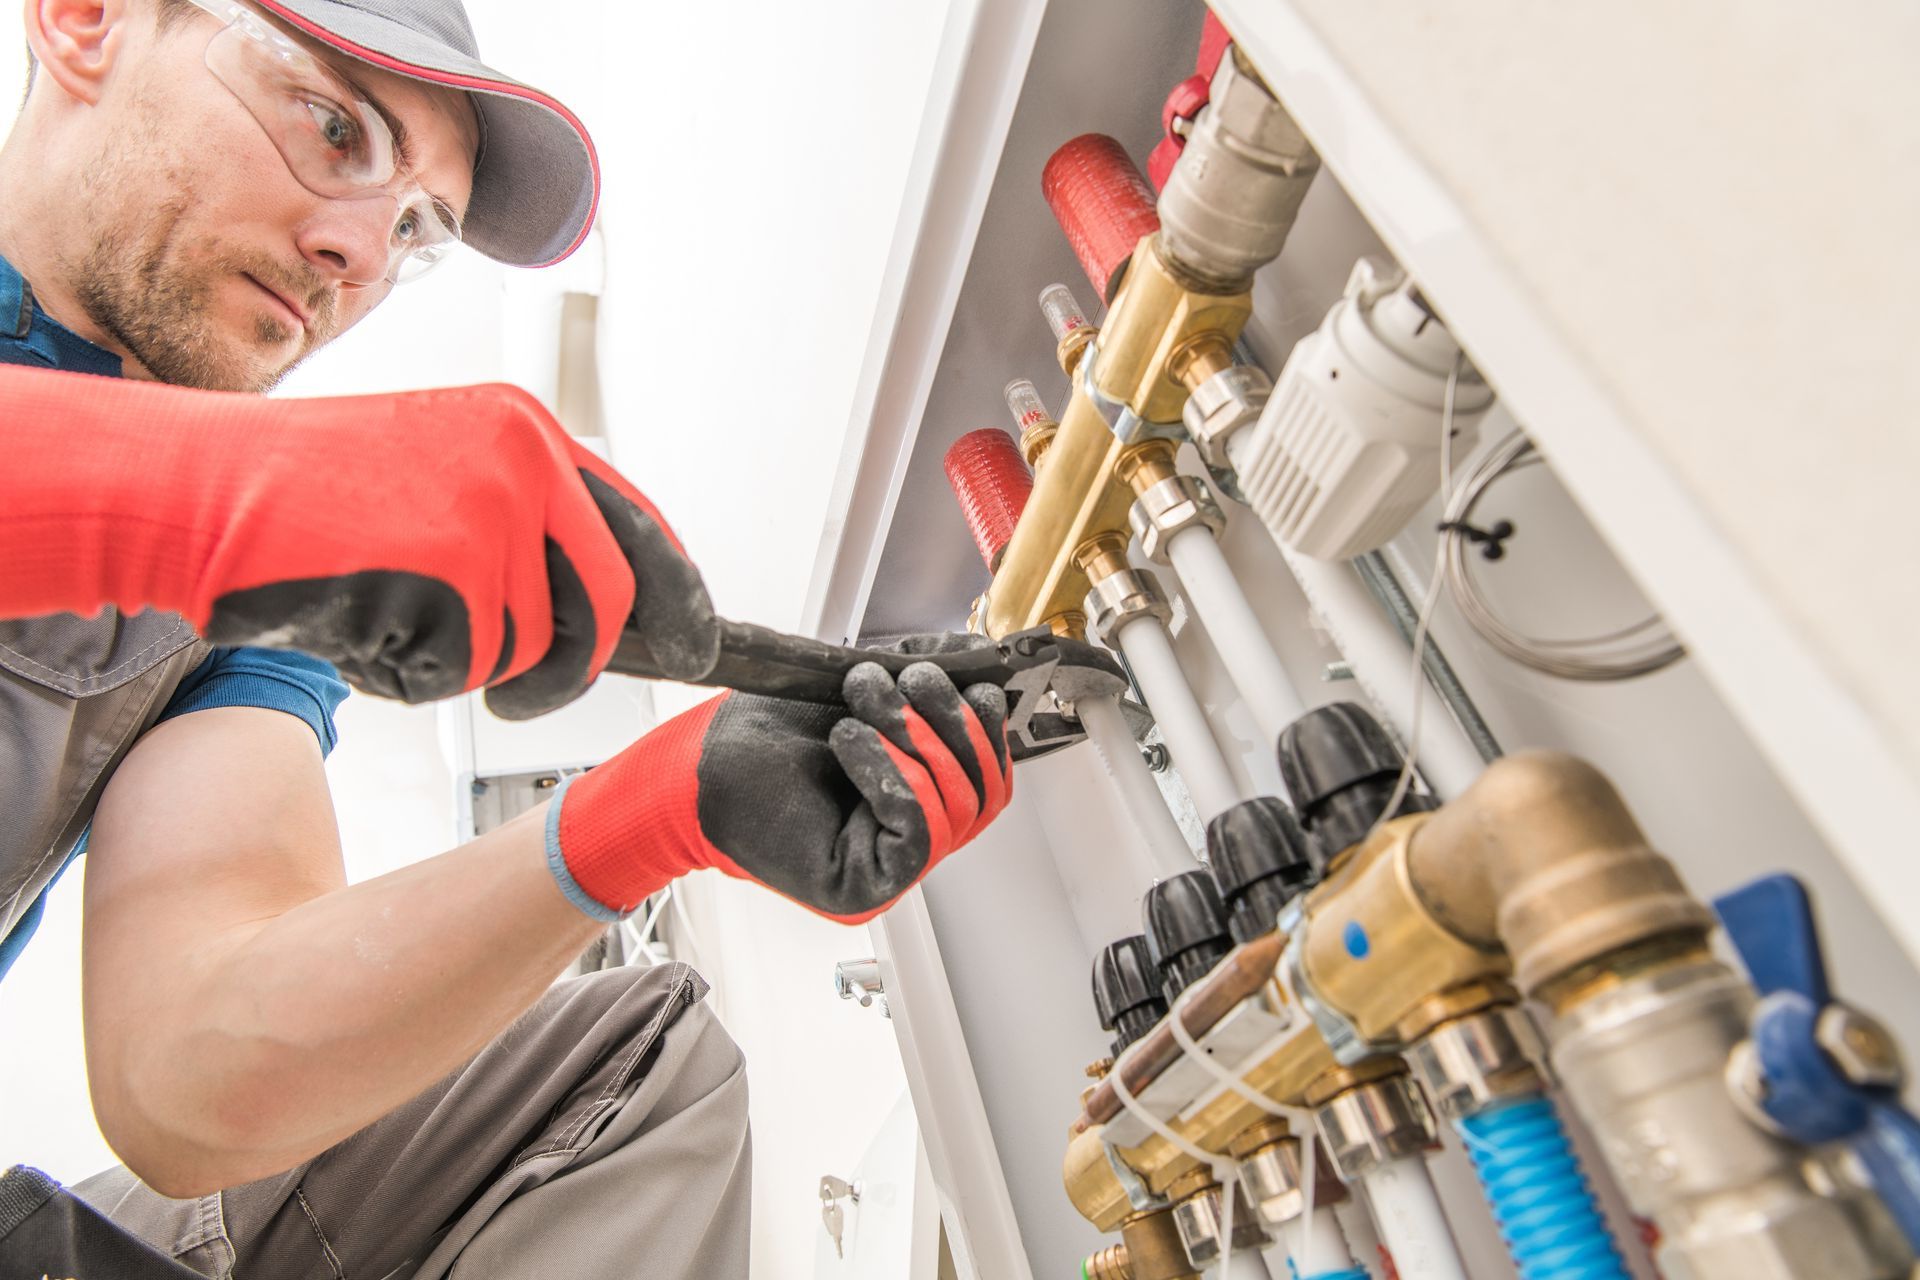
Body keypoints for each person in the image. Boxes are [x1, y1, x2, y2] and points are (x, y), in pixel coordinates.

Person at [0, 1, 1014, 1274]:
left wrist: (644, 813)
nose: (360, 257)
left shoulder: (241, 625)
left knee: (642, 1067)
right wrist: (216, 504)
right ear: (84, 20)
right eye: (334, 126)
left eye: (417, 227)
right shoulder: (247, 536)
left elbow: (188, 1083)